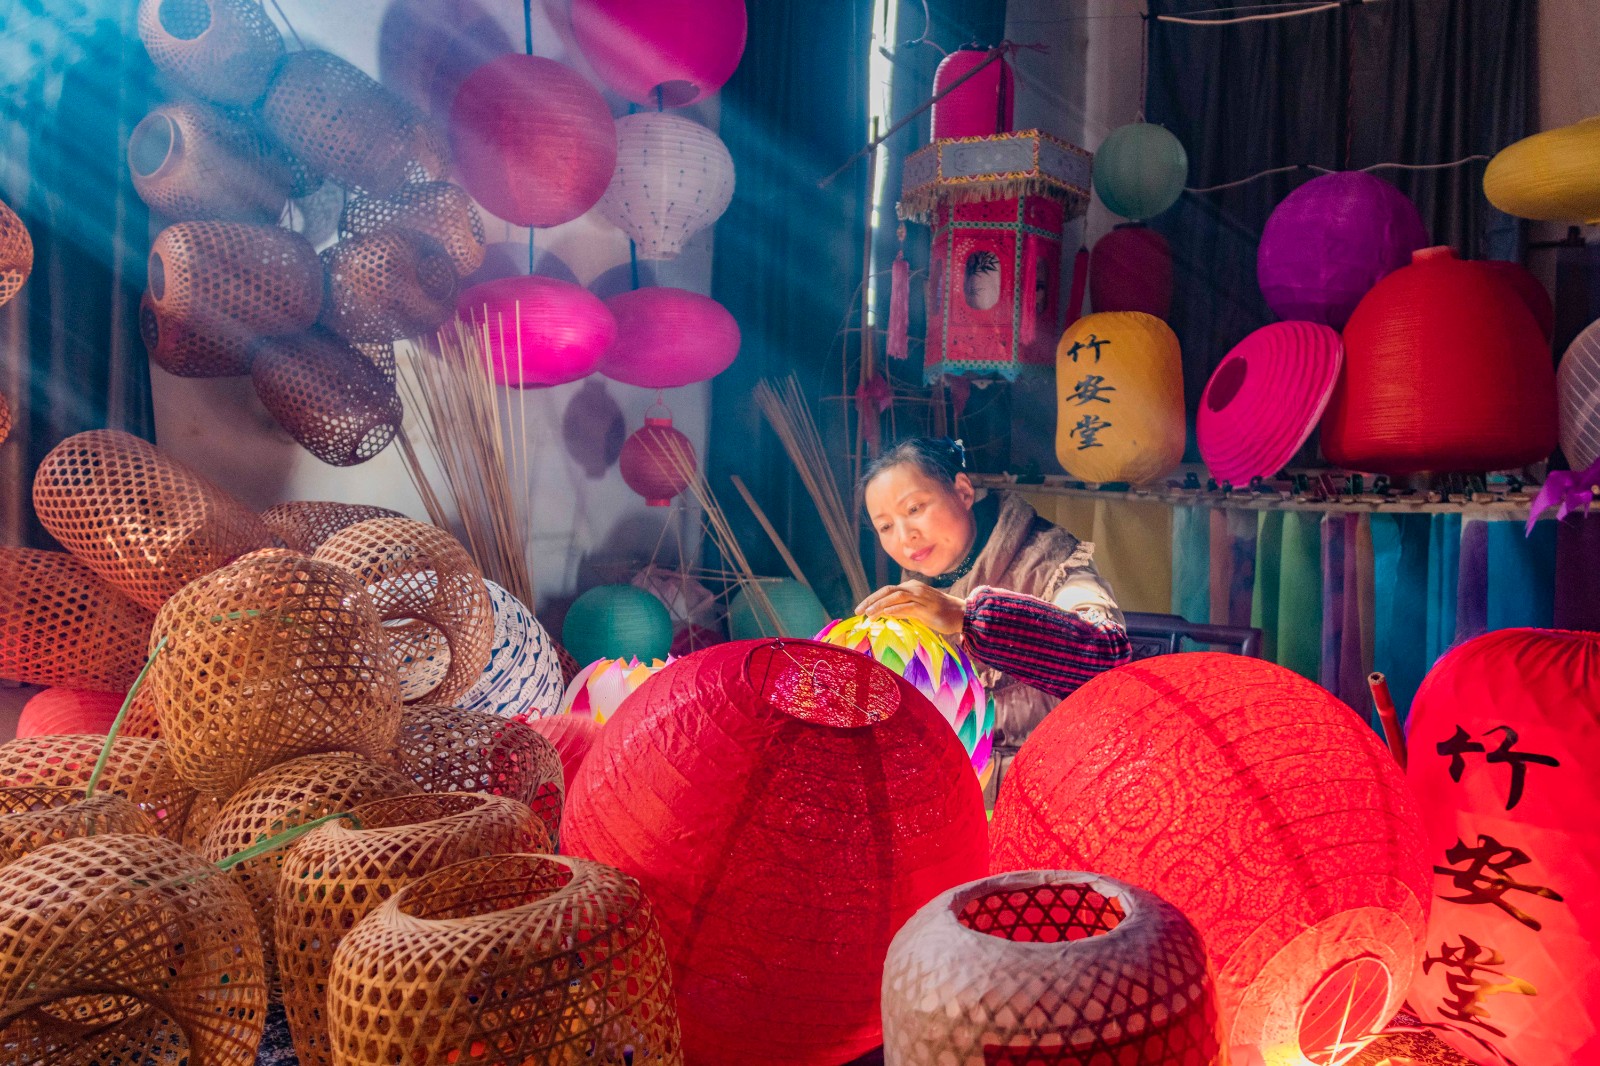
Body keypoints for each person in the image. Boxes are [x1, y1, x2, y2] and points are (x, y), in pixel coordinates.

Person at [857, 437, 1131, 790]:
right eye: (885, 526)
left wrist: (968, 618)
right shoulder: (909, 600)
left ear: (963, 492)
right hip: (961, 795)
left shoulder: (1047, 560)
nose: (906, 536)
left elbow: (1108, 656)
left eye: (914, 509)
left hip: (1057, 781)